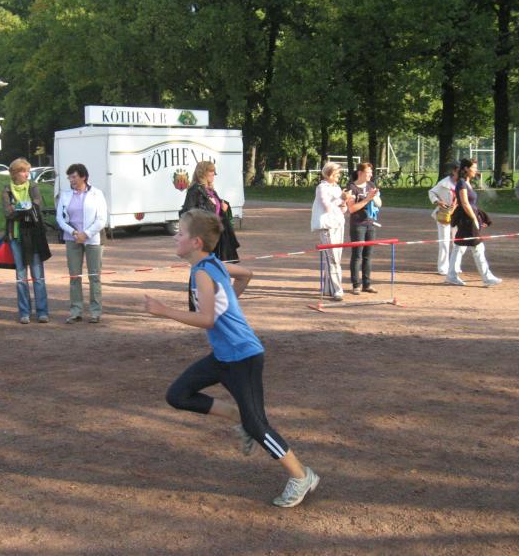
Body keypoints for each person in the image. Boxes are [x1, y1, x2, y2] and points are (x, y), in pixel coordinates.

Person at [144, 209, 319, 508]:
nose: (175, 237)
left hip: (243, 357)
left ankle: (301, 475)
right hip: (223, 356)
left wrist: (164, 311)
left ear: (196, 242)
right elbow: (247, 274)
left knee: (258, 424)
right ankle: (239, 417)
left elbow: (207, 319)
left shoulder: (202, 271)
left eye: (181, 233)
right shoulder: (213, 264)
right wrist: (229, 303)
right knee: (178, 395)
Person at [1, 158, 51, 324]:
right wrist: (24, 208)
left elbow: (37, 205)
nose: (26, 174)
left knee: (38, 276)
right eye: (23, 171)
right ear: (15, 173)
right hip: (16, 237)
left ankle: (42, 311)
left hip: (34, 235)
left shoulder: (33, 186)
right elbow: (7, 212)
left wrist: (18, 207)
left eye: (28, 171)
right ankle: (24, 312)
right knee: (21, 276)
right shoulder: (6, 189)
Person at [56, 163, 107, 323]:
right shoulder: (65, 195)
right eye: (69, 177)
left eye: (74, 177)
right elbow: (59, 218)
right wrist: (73, 232)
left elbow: (101, 219)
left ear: (83, 177)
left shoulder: (97, 194)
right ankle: (75, 311)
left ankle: (95, 312)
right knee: (74, 276)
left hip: (93, 239)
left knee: (94, 276)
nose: (71, 180)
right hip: (72, 239)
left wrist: (86, 234)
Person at [445, 158, 502, 287]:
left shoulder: (466, 182)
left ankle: (451, 276)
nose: (476, 170)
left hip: (468, 218)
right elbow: (465, 203)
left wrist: (480, 217)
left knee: (459, 247)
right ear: (466, 168)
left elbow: (471, 203)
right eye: (474, 168)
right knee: (478, 248)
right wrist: (474, 219)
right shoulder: (461, 183)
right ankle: (487, 277)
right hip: (467, 220)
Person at [179, 161, 240, 262]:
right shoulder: (195, 190)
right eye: (210, 171)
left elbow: (216, 210)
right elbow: (188, 212)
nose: (213, 174)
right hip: (205, 234)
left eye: (213, 171)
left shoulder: (210, 190)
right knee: (206, 263)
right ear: (202, 173)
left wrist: (223, 208)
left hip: (217, 233)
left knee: (219, 263)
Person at [311, 162, 348, 301]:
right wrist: (341, 199)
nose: (339, 175)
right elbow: (326, 206)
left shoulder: (337, 187)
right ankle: (338, 290)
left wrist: (344, 202)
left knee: (335, 258)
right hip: (327, 226)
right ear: (329, 174)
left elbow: (342, 209)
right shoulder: (322, 187)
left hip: (338, 224)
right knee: (333, 259)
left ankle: (328, 288)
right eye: (336, 173)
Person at [345, 162, 381, 294]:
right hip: (358, 225)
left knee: (368, 256)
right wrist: (367, 199)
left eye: (371, 172)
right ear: (360, 173)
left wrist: (375, 198)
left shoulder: (371, 185)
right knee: (357, 255)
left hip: (370, 224)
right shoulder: (352, 187)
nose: (371, 175)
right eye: (368, 172)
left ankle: (367, 284)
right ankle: (356, 285)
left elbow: (379, 203)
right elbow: (351, 209)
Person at [428, 161, 460, 276]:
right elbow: (431, 192)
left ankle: (455, 266)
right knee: (444, 241)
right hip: (444, 215)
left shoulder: (463, 183)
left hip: (458, 215)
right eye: (459, 171)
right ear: (453, 171)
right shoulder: (444, 183)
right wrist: (438, 202)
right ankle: (443, 268)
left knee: (458, 242)